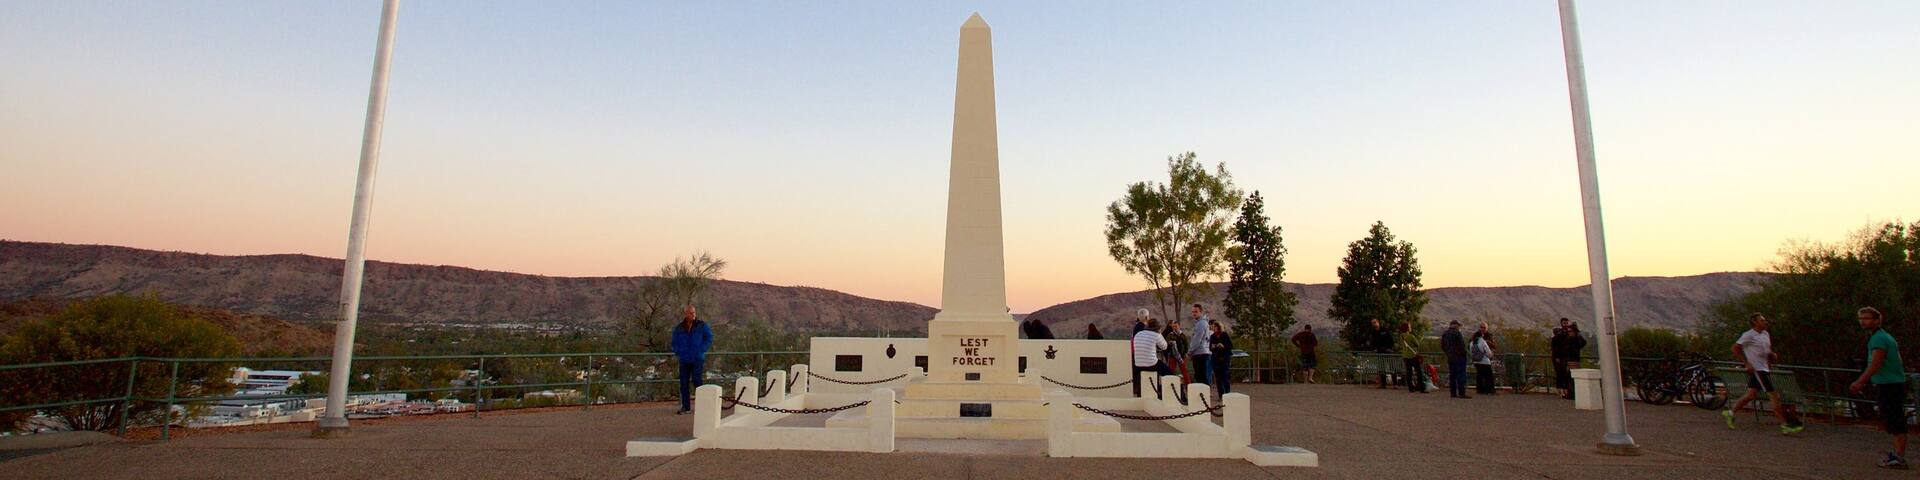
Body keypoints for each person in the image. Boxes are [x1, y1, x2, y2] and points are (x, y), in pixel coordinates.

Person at [1723, 313, 1804, 435]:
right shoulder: (1748, 335)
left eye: (1764, 320)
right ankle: (1785, 424)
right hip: (1757, 369)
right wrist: (1746, 363)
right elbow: (1735, 348)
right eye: (1762, 320)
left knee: (1751, 394)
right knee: (1774, 396)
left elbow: (1766, 350)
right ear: (1755, 322)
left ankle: (1730, 413)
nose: (1765, 322)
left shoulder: (1765, 334)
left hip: (1765, 368)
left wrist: (1772, 355)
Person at [1849, 307, 1908, 469]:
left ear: (1877, 320)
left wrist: (1860, 381)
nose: (1863, 322)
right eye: (1861, 318)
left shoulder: (1878, 339)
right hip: (1891, 383)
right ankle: (1898, 454)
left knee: (1895, 419)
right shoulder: (1882, 337)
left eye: (1866, 318)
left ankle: (1900, 458)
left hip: (1890, 384)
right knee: (1892, 418)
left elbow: (1876, 363)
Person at [670, 305, 713, 415]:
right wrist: (678, 351)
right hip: (684, 359)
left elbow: (709, 338)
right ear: (686, 314)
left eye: (694, 312)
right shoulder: (679, 328)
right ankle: (686, 407)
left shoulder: (701, 326)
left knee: (697, 381)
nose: (693, 315)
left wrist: (701, 349)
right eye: (690, 313)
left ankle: (702, 406)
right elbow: (674, 342)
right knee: (684, 383)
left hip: (697, 358)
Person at [1132, 318, 1170, 397]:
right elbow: (1164, 347)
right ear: (1157, 327)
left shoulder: (1138, 334)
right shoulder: (1156, 335)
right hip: (1151, 364)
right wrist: (1159, 333)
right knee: (1168, 373)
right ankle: (1170, 395)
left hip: (1138, 365)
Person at [1550, 318, 1587, 400]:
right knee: (1566, 376)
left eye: (1571, 331)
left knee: (1571, 377)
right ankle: (1569, 393)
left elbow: (1582, 343)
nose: (1569, 332)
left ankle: (1572, 393)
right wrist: (1558, 356)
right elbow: (1558, 348)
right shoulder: (1563, 337)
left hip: (1573, 360)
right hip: (1567, 360)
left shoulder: (1576, 339)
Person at [1441, 320, 1470, 399]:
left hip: (1450, 357)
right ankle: (1461, 392)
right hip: (1459, 357)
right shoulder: (1457, 333)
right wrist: (1463, 354)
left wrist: (1448, 353)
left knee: (1452, 376)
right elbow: (1462, 346)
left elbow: (1443, 346)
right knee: (1461, 375)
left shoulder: (1445, 334)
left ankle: (1453, 393)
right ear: (1455, 325)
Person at [1189, 304, 1215, 388]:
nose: (1194, 314)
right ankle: (1204, 392)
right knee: (1201, 376)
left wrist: (1190, 351)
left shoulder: (1201, 324)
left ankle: (1205, 393)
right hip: (1201, 352)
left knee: (1201, 376)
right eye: (1193, 312)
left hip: (1200, 352)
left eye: (1196, 312)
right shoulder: (1201, 323)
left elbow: (1197, 340)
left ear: (1201, 312)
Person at [1398, 322, 1427, 393]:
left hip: (1405, 356)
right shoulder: (1411, 336)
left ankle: (1410, 388)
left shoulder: (1401, 336)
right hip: (1413, 355)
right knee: (1419, 372)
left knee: (1409, 372)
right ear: (1407, 328)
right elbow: (1417, 344)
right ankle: (1421, 387)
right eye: (1410, 327)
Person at [1209, 320, 1234, 395]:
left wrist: (1223, 346)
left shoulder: (1224, 335)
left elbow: (1230, 345)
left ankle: (1227, 393)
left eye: (1215, 327)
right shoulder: (1212, 336)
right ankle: (1221, 395)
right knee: (1218, 378)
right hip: (1216, 359)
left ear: (1219, 327)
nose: (1213, 328)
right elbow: (1210, 348)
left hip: (1224, 358)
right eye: (1213, 327)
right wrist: (1213, 347)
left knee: (1225, 376)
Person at [1370, 319, 1395, 389]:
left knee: (1392, 367)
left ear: (1378, 322)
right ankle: (1383, 384)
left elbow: (1391, 340)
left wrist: (1389, 348)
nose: (1374, 324)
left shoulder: (1385, 330)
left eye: (1375, 322)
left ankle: (1394, 383)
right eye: (1372, 323)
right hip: (1379, 352)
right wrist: (1374, 349)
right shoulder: (1373, 332)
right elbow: (1373, 342)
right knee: (1381, 368)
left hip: (1388, 351)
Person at [1471, 329, 1497, 395]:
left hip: (1476, 361)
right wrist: (1491, 355)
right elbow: (1488, 352)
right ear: (1481, 335)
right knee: (1488, 376)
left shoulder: (1472, 342)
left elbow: (1471, 351)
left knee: (1479, 376)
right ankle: (1489, 390)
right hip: (1485, 361)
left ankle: (1480, 390)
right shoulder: (1482, 342)